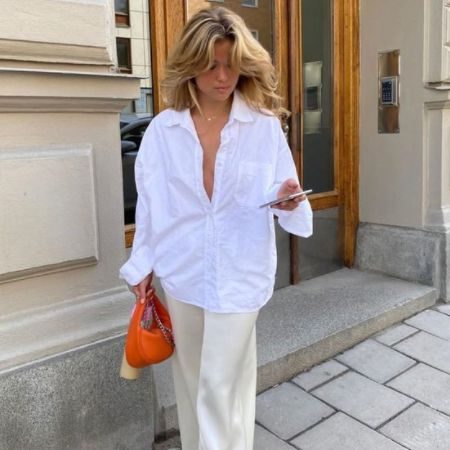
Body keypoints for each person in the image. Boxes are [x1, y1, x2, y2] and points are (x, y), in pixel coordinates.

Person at [119, 6, 313, 450]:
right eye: (211, 64)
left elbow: (288, 203)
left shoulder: (263, 127)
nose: (223, 76)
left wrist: (288, 199)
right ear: (190, 65)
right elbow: (152, 209)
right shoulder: (163, 132)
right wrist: (142, 269)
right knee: (194, 386)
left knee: (216, 387)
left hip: (241, 274)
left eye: (231, 63)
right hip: (183, 274)